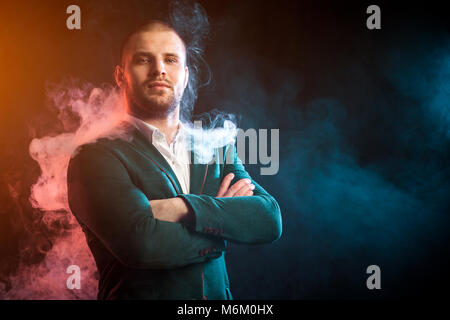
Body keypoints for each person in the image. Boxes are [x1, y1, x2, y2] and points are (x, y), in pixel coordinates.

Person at [67, 18, 282, 300]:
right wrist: (223, 223)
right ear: (121, 76)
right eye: (144, 60)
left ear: (186, 75)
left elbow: (268, 219)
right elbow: (141, 245)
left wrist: (181, 208)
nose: (159, 70)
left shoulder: (216, 147)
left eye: (170, 60)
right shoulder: (95, 156)